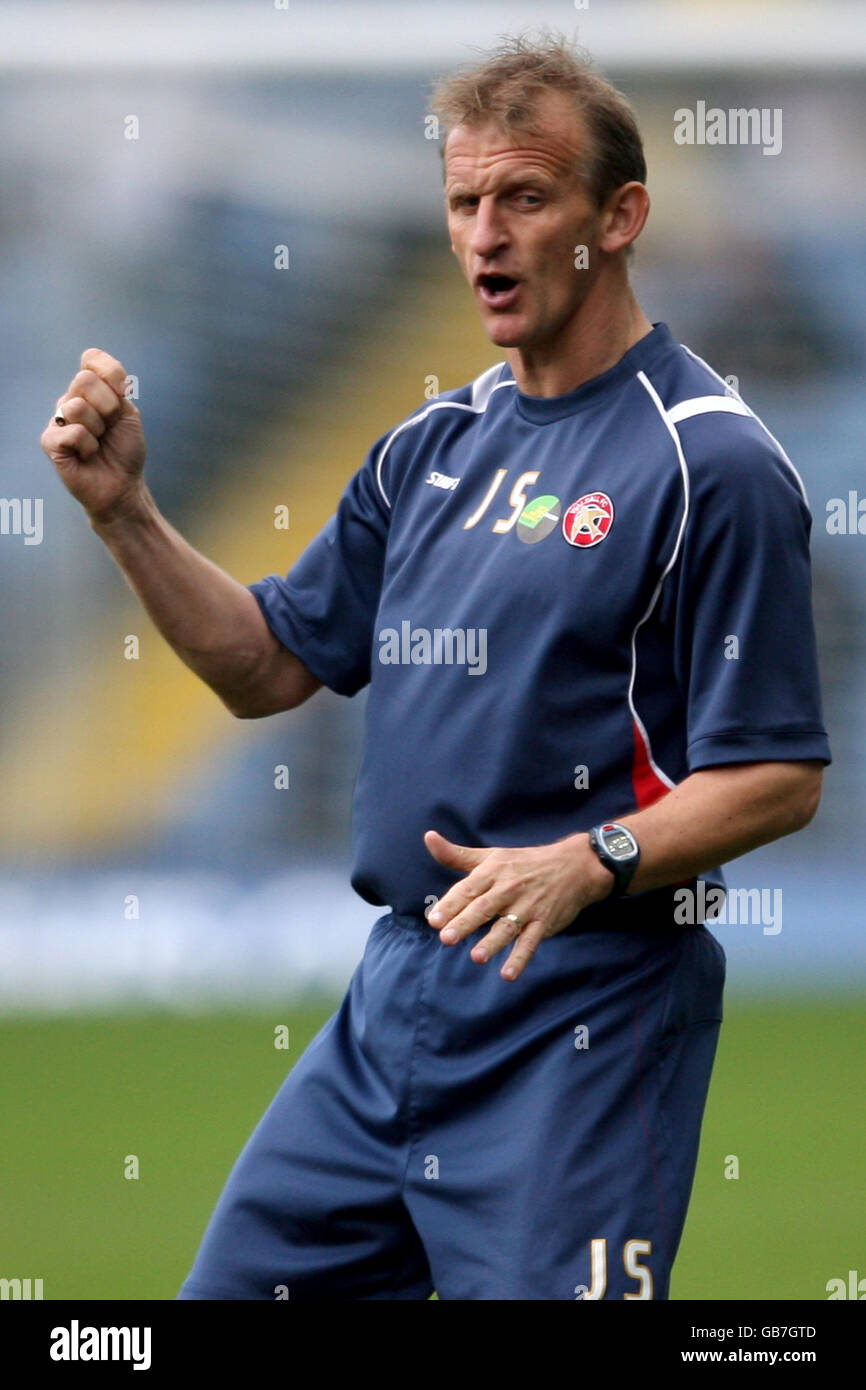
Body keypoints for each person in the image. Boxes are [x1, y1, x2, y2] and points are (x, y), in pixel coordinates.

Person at [41, 35, 830, 1301]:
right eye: (464, 202)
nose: (484, 236)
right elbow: (265, 664)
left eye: (524, 198)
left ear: (618, 215)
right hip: (392, 998)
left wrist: (589, 858)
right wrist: (125, 510)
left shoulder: (710, 463)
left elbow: (781, 774)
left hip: (588, 1010)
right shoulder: (428, 449)